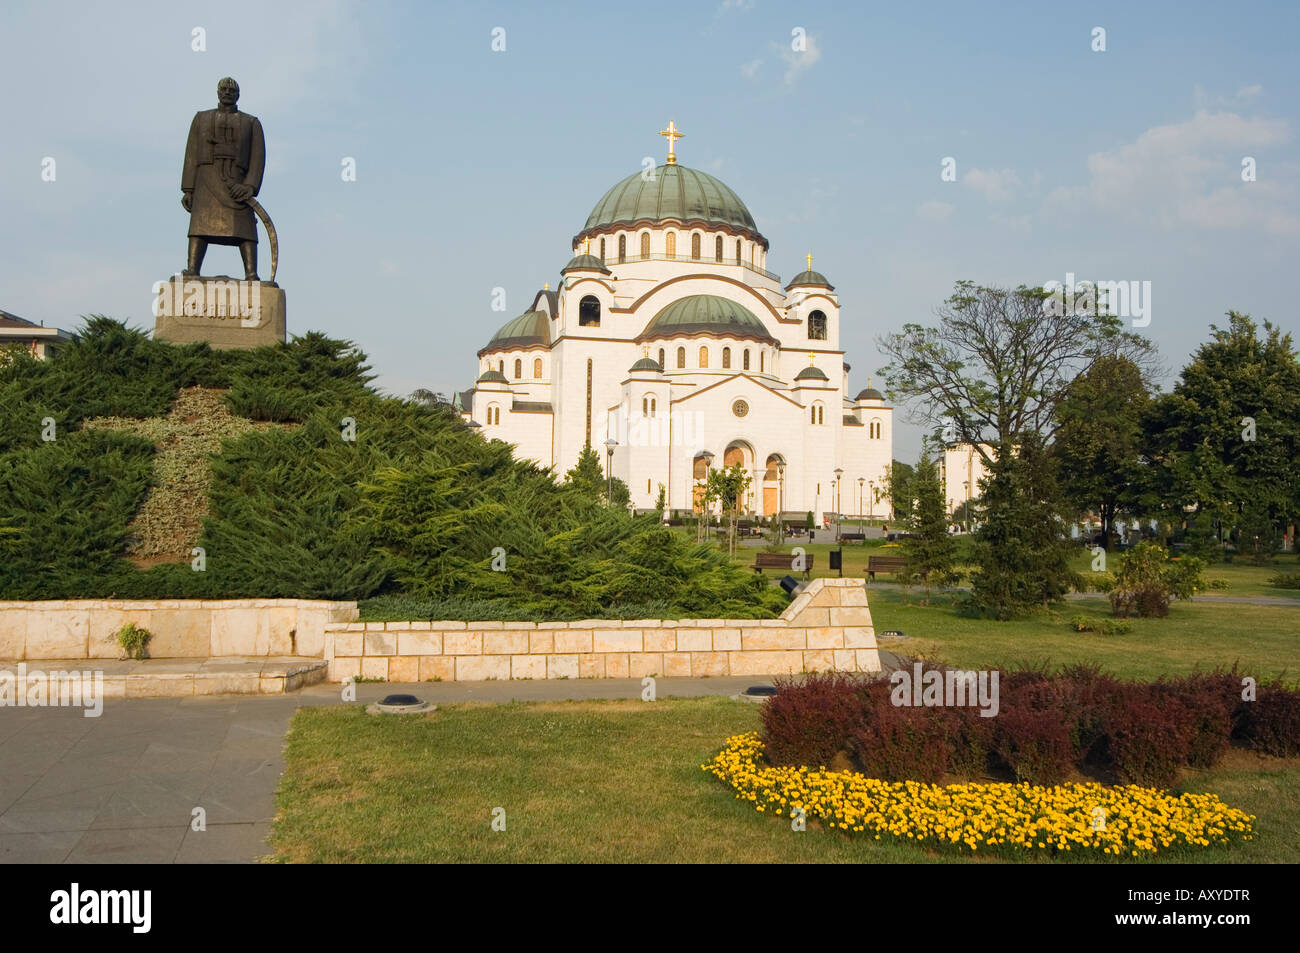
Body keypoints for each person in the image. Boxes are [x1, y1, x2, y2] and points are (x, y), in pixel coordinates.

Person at [182, 77, 266, 280]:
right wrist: (188, 189)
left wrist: (249, 185)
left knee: (246, 228)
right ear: (218, 92)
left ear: (238, 94)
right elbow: (191, 154)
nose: (227, 92)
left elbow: (257, 158)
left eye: (231, 89)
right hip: (206, 180)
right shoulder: (201, 119)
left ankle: (251, 273)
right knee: (199, 227)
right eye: (224, 89)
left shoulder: (251, 122)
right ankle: (193, 269)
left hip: (236, 183)